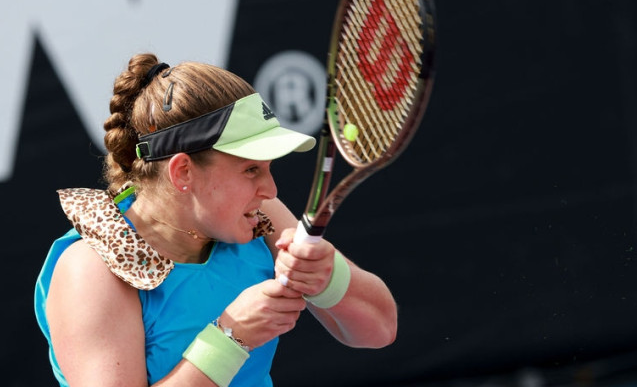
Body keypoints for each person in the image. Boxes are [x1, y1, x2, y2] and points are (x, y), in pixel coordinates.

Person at [34, 53, 398, 386]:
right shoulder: (90, 270)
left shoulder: (260, 217)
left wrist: (327, 278)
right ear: (183, 172)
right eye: (251, 169)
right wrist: (231, 337)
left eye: (269, 168)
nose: (270, 190)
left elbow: (379, 329)